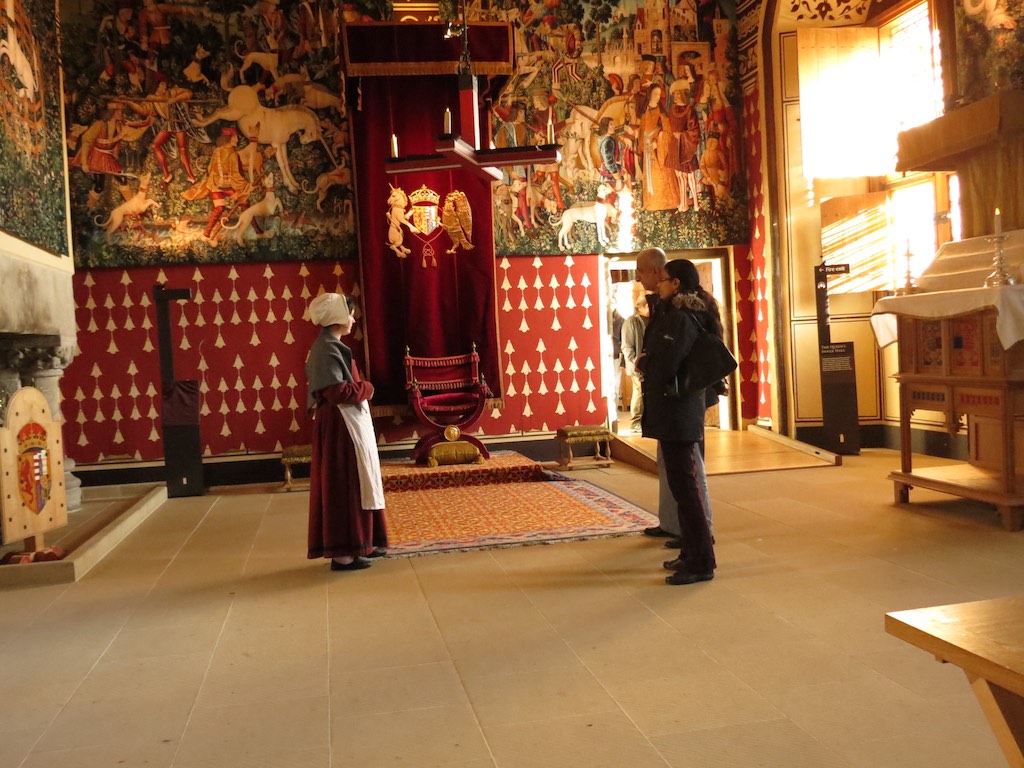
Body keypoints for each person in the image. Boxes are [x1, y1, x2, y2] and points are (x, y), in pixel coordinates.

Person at [636, 258, 716, 585]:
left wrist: (645, 364)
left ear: (677, 284)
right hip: (675, 412)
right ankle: (690, 553)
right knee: (682, 488)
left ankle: (701, 562)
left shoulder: (683, 318)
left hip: (679, 413)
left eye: (665, 279)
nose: (661, 284)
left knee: (687, 488)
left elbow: (668, 362)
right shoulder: (677, 314)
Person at [305, 292, 388, 571]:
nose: (353, 319)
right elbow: (337, 391)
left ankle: (361, 543)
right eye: (349, 314)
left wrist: (362, 388)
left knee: (359, 480)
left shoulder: (332, 345)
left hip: (348, 422)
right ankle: (344, 553)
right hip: (340, 426)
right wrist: (368, 387)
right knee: (345, 485)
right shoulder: (326, 348)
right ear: (337, 317)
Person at [620, 294, 649, 432]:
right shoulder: (632, 321)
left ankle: (644, 420)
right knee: (639, 391)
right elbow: (627, 345)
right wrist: (633, 361)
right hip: (637, 363)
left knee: (645, 391)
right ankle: (635, 422)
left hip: (648, 361)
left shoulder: (653, 320)